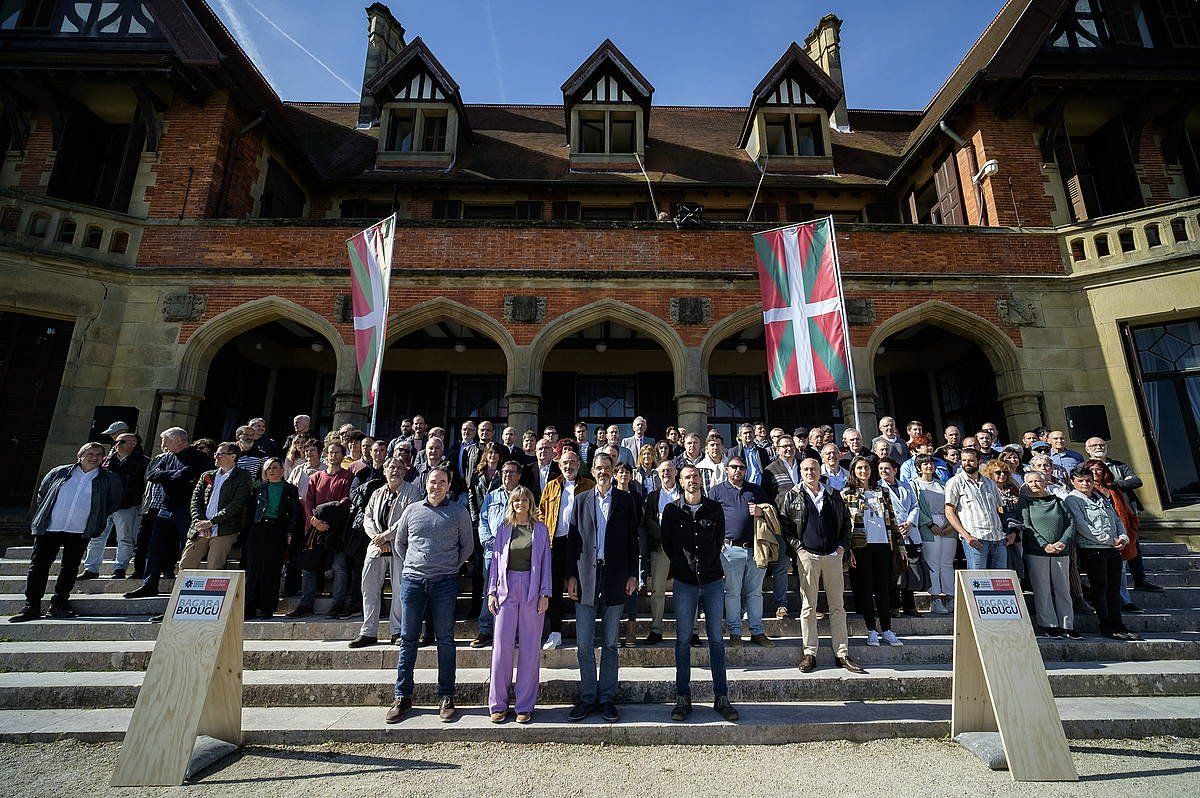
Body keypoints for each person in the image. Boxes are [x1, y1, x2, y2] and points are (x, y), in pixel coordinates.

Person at [386, 467, 474, 724]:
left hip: (445, 583)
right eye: (433, 482)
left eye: (442, 482)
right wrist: (416, 565)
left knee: (445, 640)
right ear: (426, 483)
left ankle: (446, 696)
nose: (437, 486)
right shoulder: (412, 511)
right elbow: (400, 543)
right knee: (408, 640)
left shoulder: (458, 512)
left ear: (449, 486)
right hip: (413, 582)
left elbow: (466, 546)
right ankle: (402, 696)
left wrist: (448, 566)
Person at [660, 464, 739, 722]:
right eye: (687, 477)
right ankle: (683, 697)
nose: (692, 480)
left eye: (695, 476)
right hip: (685, 582)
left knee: (716, 639)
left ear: (700, 480)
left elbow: (717, 542)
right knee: (683, 641)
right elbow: (668, 545)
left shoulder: (714, 509)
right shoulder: (672, 511)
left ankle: (721, 696)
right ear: (680, 482)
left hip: (713, 580)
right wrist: (685, 566)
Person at [565, 453, 639, 723]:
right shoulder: (582, 500)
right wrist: (571, 576)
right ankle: (587, 697)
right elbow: (573, 540)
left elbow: (633, 540)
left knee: (609, 643)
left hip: (616, 577)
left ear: (613, 471)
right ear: (593, 471)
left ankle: (606, 697)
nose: (603, 472)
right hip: (586, 578)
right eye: (599, 468)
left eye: (608, 468)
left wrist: (633, 574)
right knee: (584, 644)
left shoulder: (626, 500)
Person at [10, 443, 122, 622]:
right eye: (90, 453)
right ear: (80, 455)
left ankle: (59, 602)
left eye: (99, 454)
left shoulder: (109, 479)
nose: (94, 457)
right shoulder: (59, 472)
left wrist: (96, 518)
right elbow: (43, 493)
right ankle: (32, 605)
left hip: (80, 530)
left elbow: (113, 502)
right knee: (39, 566)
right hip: (50, 527)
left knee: (70, 568)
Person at [778, 458, 864, 674]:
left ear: (820, 470)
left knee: (837, 606)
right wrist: (799, 549)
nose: (810, 472)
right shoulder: (792, 495)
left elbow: (846, 523)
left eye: (814, 469)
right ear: (800, 471)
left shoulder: (834, 494)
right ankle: (810, 653)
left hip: (833, 555)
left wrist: (842, 548)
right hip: (808, 556)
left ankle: (842, 653)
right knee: (808, 606)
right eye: (806, 469)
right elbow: (786, 527)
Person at [486, 485, 552, 724]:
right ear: (511, 503)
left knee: (529, 648)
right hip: (506, 588)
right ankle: (498, 704)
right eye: (516, 500)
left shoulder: (540, 530)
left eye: (525, 499)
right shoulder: (504, 529)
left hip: (532, 589)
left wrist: (545, 593)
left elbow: (546, 563)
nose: (520, 503)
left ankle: (524, 705)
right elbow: (495, 561)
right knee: (501, 648)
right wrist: (491, 591)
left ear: (531, 504)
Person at [125, 428, 209, 598]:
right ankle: (149, 584)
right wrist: (171, 475)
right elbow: (152, 475)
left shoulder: (198, 456)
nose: (162, 444)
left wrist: (166, 475)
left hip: (187, 509)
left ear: (178, 440)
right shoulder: (167, 457)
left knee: (186, 548)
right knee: (155, 547)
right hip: (165, 508)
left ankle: (185, 587)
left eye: (165, 440)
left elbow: (186, 475)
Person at [351, 456, 423, 647]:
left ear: (405, 471)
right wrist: (377, 537)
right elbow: (367, 518)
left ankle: (397, 631)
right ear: (384, 470)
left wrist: (387, 536)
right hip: (376, 548)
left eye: (400, 467)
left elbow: (408, 518)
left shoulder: (413, 492)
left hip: (399, 548)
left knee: (400, 590)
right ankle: (368, 631)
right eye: (392, 467)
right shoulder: (377, 493)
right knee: (369, 589)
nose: (396, 471)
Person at [1064, 466, 1138, 641]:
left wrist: (1122, 537)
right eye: (1080, 481)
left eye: (1088, 480)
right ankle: (1106, 625)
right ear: (1073, 482)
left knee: (1114, 588)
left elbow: (1116, 519)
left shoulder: (1100, 497)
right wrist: (1107, 539)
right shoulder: (1073, 500)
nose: (1085, 484)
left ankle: (1118, 624)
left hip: (1113, 548)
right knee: (1100, 588)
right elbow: (1083, 527)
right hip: (1093, 549)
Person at [709, 456, 773, 648]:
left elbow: (771, 512)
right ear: (727, 469)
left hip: (755, 548)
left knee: (755, 593)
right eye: (734, 467)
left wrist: (762, 512)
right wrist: (717, 543)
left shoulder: (755, 490)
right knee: (733, 593)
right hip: (730, 549)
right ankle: (735, 632)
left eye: (742, 467)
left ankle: (757, 631)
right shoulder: (717, 491)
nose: (738, 470)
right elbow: (708, 519)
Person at [1085, 437, 1160, 593]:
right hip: (1101, 515)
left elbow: (1136, 481)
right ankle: (1119, 593)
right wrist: (1121, 482)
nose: (1099, 447)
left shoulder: (1118, 465)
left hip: (1124, 509)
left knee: (1133, 544)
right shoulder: (1084, 467)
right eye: (1094, 445)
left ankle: (1140, 579)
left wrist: (1115, 484)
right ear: (1087, 449)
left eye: (1101, 444)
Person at [843, 456, 904, 647]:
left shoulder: (882, 491)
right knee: (866, 589)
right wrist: (849, 550)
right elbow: (845, 524)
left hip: (883, 545)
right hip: (861, 546)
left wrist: (900, 546)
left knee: (884, 589)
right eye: (859, 468)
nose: (864, 471)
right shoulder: (847, 494)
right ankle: (871, 630)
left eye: (867, 467)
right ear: (853, 471)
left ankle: (887, 629)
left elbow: (892, 520)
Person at [288, 441, 353, 617]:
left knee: (339, 567)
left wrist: (327, 520)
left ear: (342, 455)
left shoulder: (348, 476)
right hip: (315, 529)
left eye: (338, 452)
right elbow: (308, 501)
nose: (334, 456)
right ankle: (306, 603)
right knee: (308, 567)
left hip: (336, 530)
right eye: (331, 452)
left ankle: (337, 604)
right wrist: (314, 520)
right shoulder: (316, 477)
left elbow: (345, 501)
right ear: (326, 454)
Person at [538, 450, 594, 650]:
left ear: (579, 464)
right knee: (553, 589)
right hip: (557, 543)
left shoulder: (589, 485)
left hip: (581, 544)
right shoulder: (552, 486)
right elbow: (541, 512)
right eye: (565, 463)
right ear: (559, 465)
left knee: (581, 587)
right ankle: (555, 632)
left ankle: (584, 632)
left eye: (572, 462)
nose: (568, 466)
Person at [79, 432, 147, 580]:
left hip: (127, 505)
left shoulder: (143, 462)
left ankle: (120, 568)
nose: (117, 444)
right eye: (117, 441)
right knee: (96, 536)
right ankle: (91, 568)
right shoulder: (107, 460)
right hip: (104, 505)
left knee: (125, 538)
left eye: (121, 442)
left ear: (133, 443)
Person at [179, 441, 253, 571]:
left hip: (224, 528)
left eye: (220, 454)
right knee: (186, 564)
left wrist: (212, 522)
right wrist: (199, 521)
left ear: (233, 456)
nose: (216, 457)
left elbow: (237, 504)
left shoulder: (242, 476)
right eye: (215, 454)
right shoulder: (207, 475)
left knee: (214, 566)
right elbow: (195, 500)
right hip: (200, 527)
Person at [1020, 471, 1077, 638]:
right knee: (1042, 589)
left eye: (1038, 480)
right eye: (1030, 482)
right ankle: (1048, 624)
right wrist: (1044, 544)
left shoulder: (1058, 501)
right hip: (1037, 551)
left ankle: (1067, 624)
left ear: (1045, 482)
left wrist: (1063, 542)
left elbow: (1071, 522)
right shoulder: (1025, 502)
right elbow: (1026, 525)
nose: (1035, 484)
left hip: (1061, 551)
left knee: (1063, 589)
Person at [474, 459, 524, 648]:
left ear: (518, 475)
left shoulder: (524, 496)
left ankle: (516, 632)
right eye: (504, 471)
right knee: (490, 590)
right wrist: (490, 543)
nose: (507, 475)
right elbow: (483, 521)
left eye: (511, 472)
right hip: (492, 553)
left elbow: (529, 522)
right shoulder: (492, 496)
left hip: (517, 554)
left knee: (515, 592)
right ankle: (486, 630)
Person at [244, 457, 301, 619]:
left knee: (271, 570)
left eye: (275, 467)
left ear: (282, 470)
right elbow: (250, 513)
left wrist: (290, 532)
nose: (272, 471)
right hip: (258, 529)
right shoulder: (258, 489)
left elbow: (294, 513)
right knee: (254, 570)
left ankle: (267, 608)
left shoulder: (290, 489)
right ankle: (249, 608)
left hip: (278, 530)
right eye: (269, 468)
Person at [945, 449, 1007, 570]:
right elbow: (949, 512)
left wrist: (1007, 532)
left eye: (971, 460)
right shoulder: (954, 482)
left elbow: (1000, 509)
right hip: (975, 539)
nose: (967, 463)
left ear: (979, 461)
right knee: (978, 582)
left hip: (998, 538)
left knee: (1001, 582)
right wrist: (966, 536)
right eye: (964, 460)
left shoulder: (990, 482)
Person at [640, 458, 680, 645]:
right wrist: (663, 535)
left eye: (669, 470)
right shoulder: (653, 496)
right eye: (663, 471)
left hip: (683, 549)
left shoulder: (684, 493)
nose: (666, 474)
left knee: (687, 589)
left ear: (676, 473)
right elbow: (648, 519)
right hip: (660, 547)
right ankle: (656, 629)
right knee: (657, 591)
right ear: (658, 474)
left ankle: (693, 630)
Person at [910, 454, 955, 615]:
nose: (929, 466)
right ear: (918, 467)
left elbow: (953, 504)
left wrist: (951, 525)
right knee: (933, 562)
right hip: (929, 526)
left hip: (948, 525)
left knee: (947, 563)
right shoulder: (914, 485)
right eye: (925, 464)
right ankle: (935, 597)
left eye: (930, 463)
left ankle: (951, 597)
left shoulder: (943, 484)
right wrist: (929, 523)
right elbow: (916, 507)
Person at [878, 457, 921, 617]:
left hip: (909, 532)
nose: (883, 471)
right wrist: (896, 527)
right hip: (891, 534)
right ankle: (894, 606)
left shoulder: (906, 486)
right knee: (894, 572)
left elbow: (915, 506)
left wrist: (910, 523)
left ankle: (910, 606)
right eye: (881, 468)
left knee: (909, 570)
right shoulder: (878, 488)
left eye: (887, 468)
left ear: (895, 470)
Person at [764, 434, 801, 617]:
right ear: (777, 449)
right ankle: (781, 604)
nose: (788, 449)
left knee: (805, 565)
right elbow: (767, 497)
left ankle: (810, 605)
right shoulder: (771, 469)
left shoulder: (804, 466)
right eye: (784, 446)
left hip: (804, 525)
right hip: (781, 524)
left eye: (791, 446)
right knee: (782, 565)